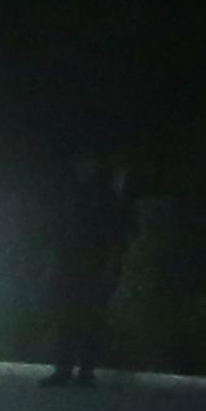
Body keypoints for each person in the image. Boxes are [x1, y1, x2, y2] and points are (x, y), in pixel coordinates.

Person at [45, 146, 138, 387]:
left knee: (89, 318)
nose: (82, 168)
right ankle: (67, 369)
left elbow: (118, 231)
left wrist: (111, 262)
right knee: (71, 317)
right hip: (74, 262)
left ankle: (82, 370)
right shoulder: (78, 193)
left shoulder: (103, 195)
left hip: (94, 262)